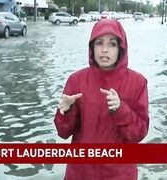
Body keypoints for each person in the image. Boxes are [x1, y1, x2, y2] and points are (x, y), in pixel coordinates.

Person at [54, 19, 149, 180]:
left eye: (112, 44)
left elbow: (139, 134)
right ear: (92, 47)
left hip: (119, 173)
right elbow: (63, 132)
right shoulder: (76, 80)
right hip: (80, 173)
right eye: (99, 43)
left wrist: (121, 110)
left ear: (121, 48)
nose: (105, 50)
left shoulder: (137, 82)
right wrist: (66, 111)